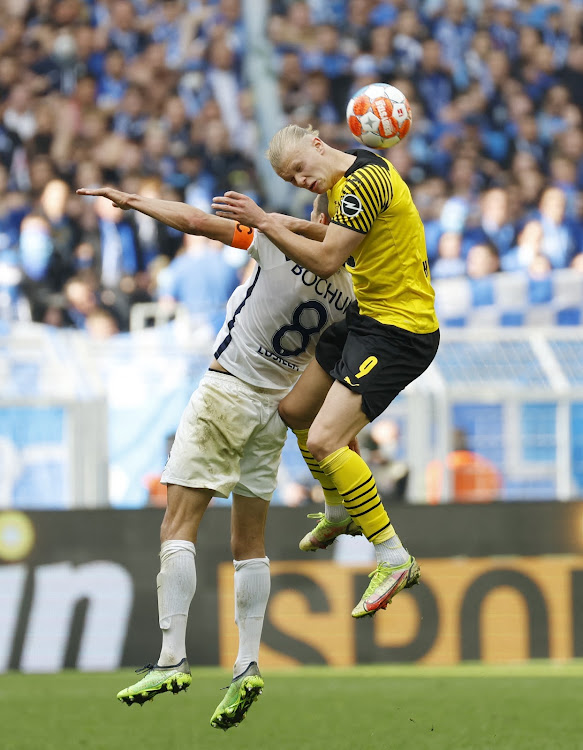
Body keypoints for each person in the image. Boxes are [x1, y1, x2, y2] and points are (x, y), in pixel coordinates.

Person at [77, 184, 354, 728]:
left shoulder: (274, 240)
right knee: (249, 543)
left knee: (178, 525)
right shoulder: (351, 297)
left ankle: (171, 657)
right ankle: (246, 664)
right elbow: (338, 385)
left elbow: (196, 223)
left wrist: (134, 201)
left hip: (226, 392)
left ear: (319, 215)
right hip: (276, 412)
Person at [212, 124, 440, 618]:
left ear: (317, 143)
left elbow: (329, 257)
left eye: (299, 169)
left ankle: (392, 556)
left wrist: (268, 223)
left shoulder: (362, 183)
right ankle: (340, 510)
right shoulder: (346, 181)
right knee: (295, 410)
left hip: (401, 330)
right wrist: (283, 221)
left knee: (324, 441)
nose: (302, 181)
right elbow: (338, 237)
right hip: (368, 320)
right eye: (292, 180)